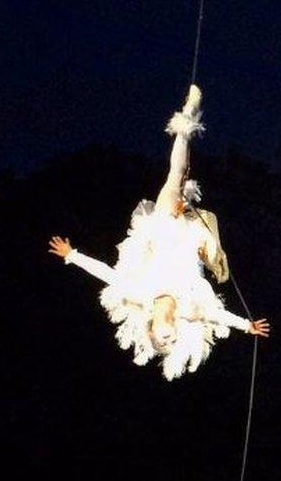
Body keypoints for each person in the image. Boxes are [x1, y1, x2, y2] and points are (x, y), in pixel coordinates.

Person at [48, 85, 269, 380]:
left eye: (159, 341)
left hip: (164, 225)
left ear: (150, 329)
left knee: (176, 176)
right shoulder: (188, 311)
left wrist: (72, 255)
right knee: (185, 177)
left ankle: (187, 117)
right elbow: (216, 315)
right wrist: (247, 326)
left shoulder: (139, 294)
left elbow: (105, 273)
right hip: (190, 235)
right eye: (171, 341)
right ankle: (186, 150)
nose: (167, 338)